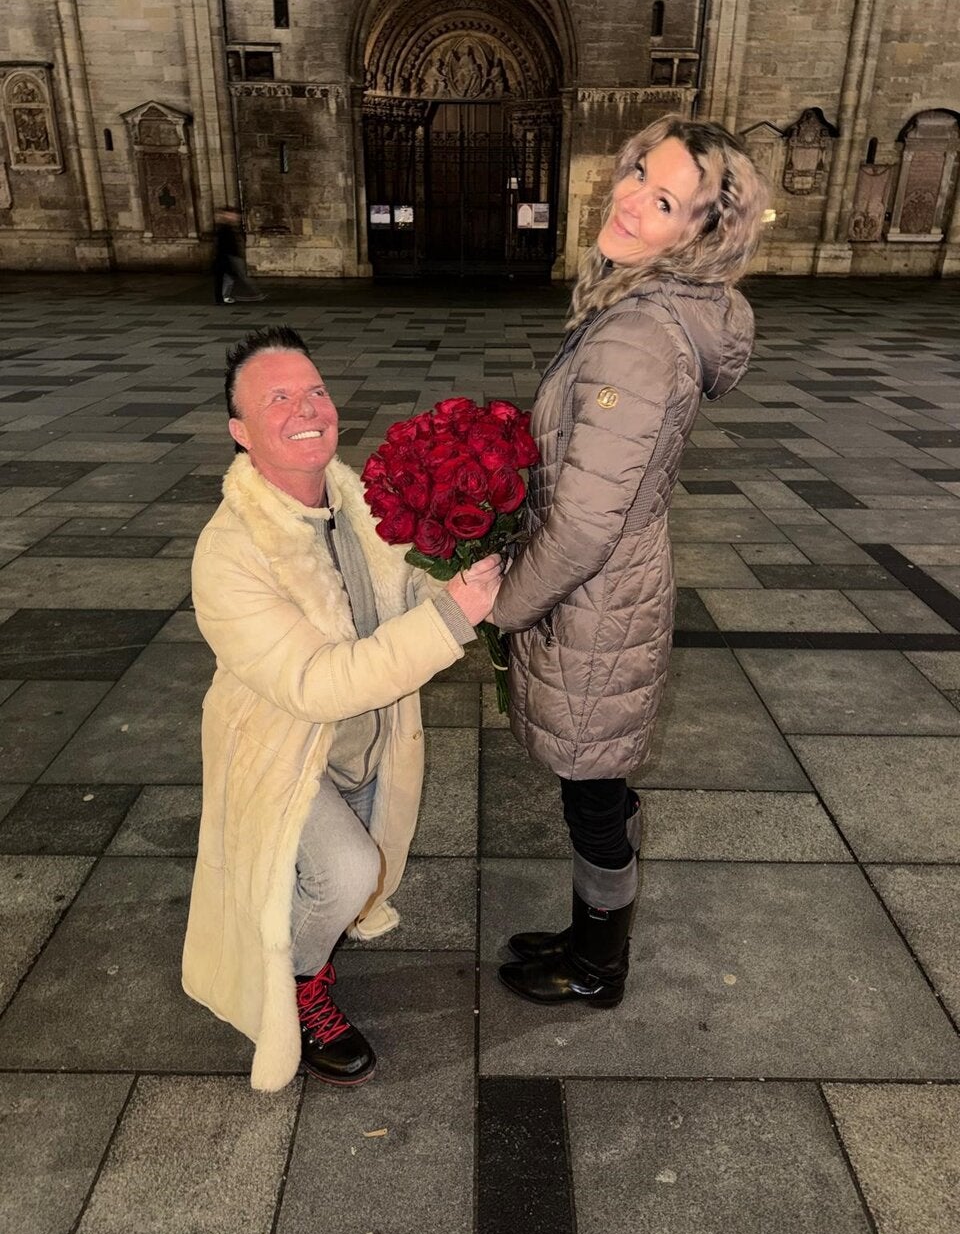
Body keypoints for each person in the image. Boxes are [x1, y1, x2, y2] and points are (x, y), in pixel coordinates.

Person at [489, 115, 767, 1009]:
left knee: (593, 792)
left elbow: (581, 525)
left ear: (697, 233)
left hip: (596, 602)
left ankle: (599, 966)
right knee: (596, 781)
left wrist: (502, 607)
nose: (631, 201)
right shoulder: (654, 311)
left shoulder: (637, 339)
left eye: (664, 200)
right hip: (619, 590)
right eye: (638, 174)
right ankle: (588, 935)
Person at [182, 325, 502, 1091]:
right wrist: (452, 618)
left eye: (315, 390)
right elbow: (316, 684)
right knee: (348, 869)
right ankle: (296, 987)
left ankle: (305, 944)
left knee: (326, 877)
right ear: (241, 432)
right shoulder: (228, 553)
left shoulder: (360, 502)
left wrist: (479, 560)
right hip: (283, 750)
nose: (307, 408)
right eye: (278, 398)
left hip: (367, 737)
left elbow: (412, 588)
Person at [213, 206, 265, 304]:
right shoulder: (224, 228)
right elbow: (223, 245)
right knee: (232, 277)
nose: (235, 217)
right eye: (231, 215)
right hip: (229, 257)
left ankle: (225, 297)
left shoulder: (228, 227)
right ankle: (225, 297)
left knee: (231, 278)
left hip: (231, 256)